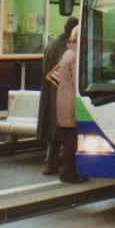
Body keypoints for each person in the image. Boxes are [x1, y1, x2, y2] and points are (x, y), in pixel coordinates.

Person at [37, 16, 77, 175]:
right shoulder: (68, 49)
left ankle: (50, 162)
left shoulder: (52, 44)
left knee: (53, 131)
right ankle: (61, 165)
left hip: (49, 93)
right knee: (65, 132)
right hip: (63, 95)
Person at [55, 25, 87, 183]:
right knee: (71, 139)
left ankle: (67, 170)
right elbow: (78, 83)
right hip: (71, 102)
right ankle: (68, 172)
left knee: (68, 137)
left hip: (63, 100)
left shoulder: (67, 53)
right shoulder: (75, 56)